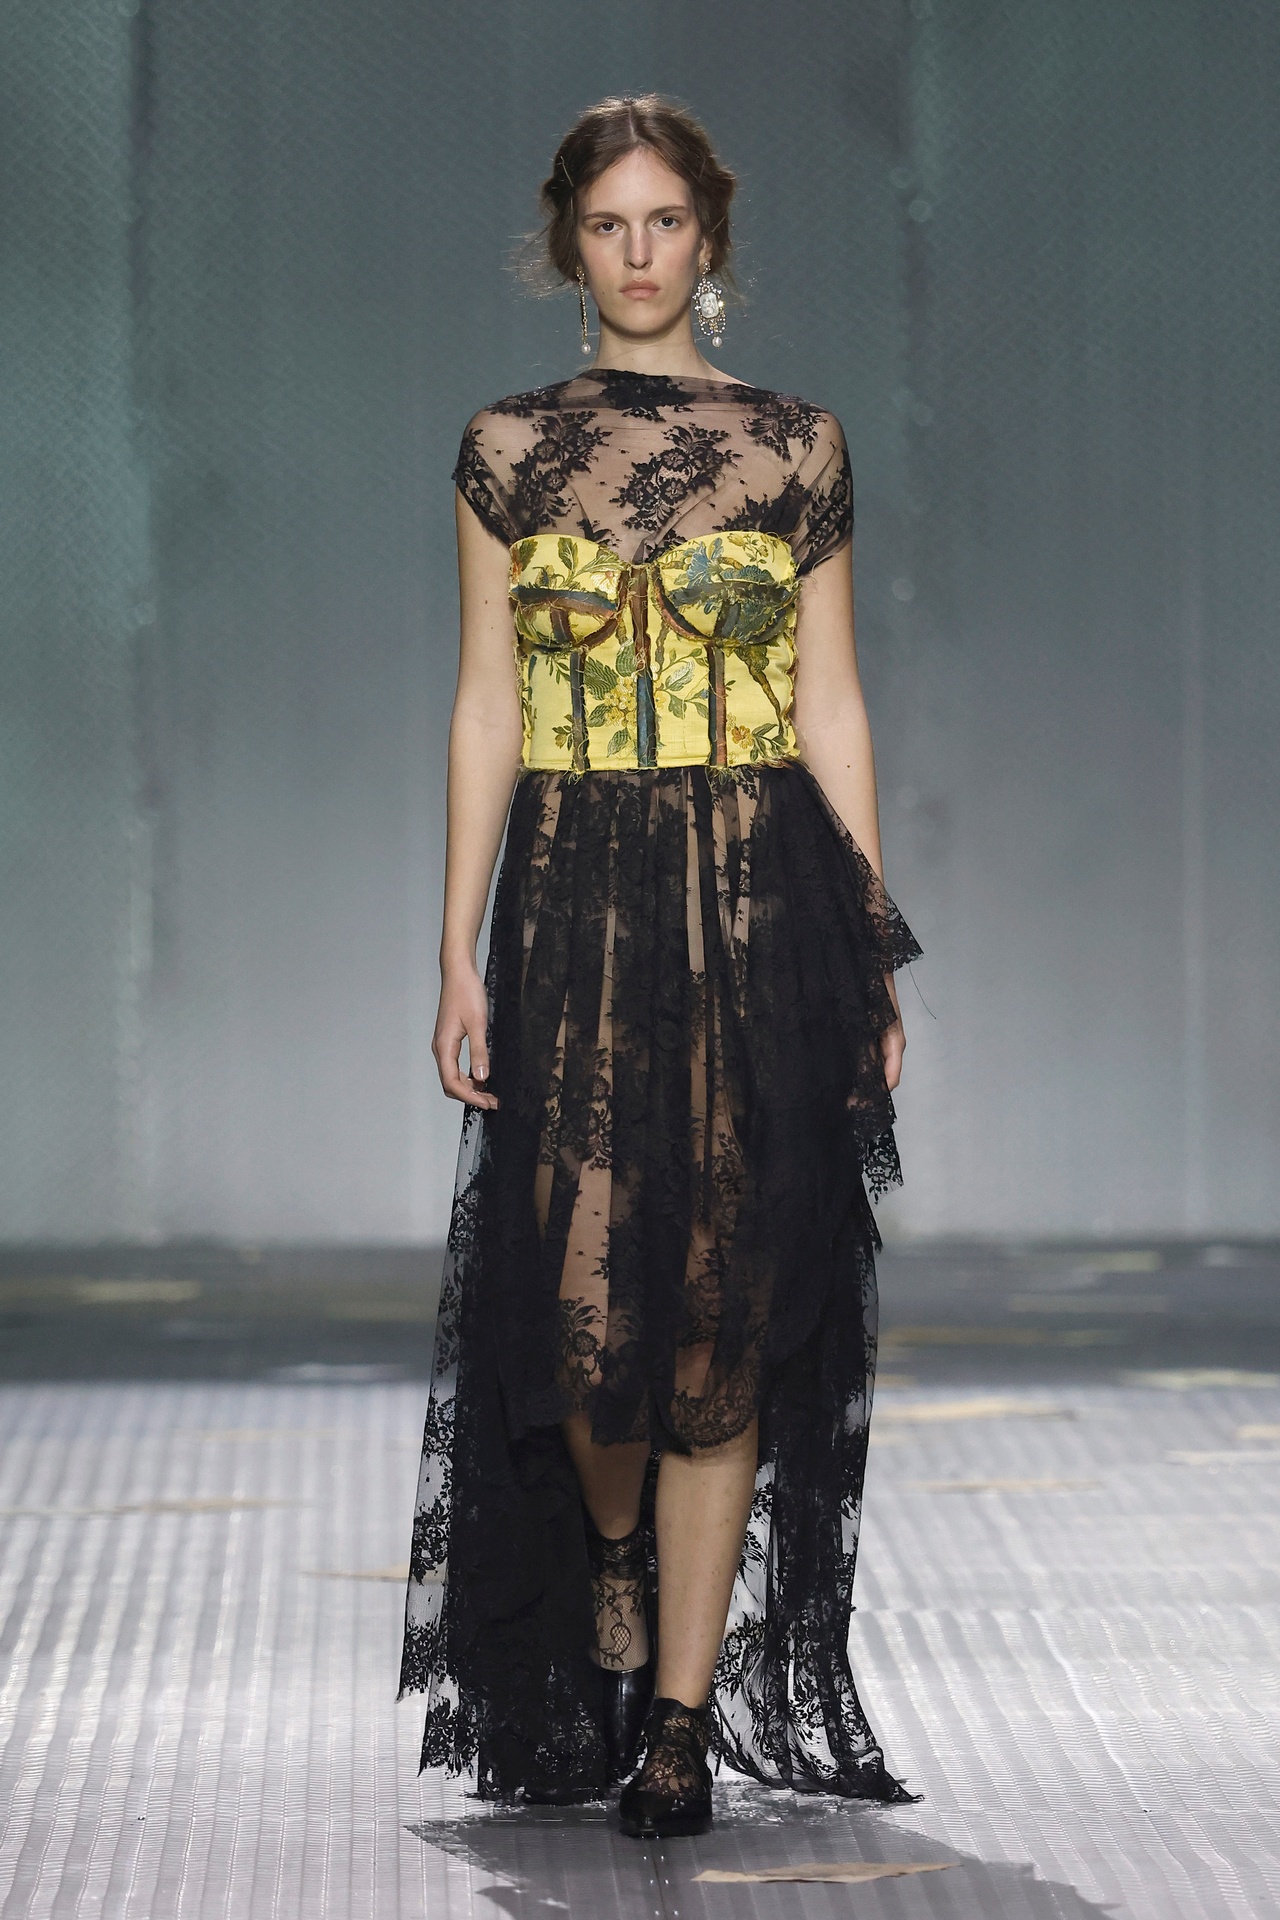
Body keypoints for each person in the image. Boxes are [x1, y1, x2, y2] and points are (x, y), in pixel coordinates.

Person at [400, 93, 921, 1839]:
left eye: (666, 222)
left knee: (726, 1303)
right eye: (609, 224)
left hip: (760, 895)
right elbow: (487, 703)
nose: (638, 253)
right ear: (569, 242)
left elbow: (832, 702)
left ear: (711, 237)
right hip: (575, 899)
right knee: (583, 1299)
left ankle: (682, 1720)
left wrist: (870, 945)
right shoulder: (505, 449)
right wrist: (456, 946)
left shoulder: (795, 446)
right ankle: (612, 1549)